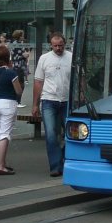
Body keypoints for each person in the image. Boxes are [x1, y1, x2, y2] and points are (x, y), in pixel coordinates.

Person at [32, 32, 72, 177]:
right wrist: (35, 104)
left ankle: (61, 158)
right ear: (51, 45)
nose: (58, 48)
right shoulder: (44, 59)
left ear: (64, 44)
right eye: (55, 46)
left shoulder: (71, 57)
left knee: (72, 134)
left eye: (60, 45)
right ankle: (55, 166)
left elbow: (79, 77)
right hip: (48, 100)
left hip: (67, 101)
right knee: (50, 134)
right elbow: (38, 82)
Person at [0, 46, 23, 175]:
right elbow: (18, 91)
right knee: (5, 135)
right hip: (8, 104)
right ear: (8, 58)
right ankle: (0, 166)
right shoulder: (11, 73)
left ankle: (2, 163)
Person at [10, 30, 30, 107]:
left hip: (20, 66)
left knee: (20, 83)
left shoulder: (19, 43)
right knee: (20, 83)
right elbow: (15, 56)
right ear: (18, 36)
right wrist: (24, 55)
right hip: (18, 66)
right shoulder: (16, 44)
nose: (23, 37)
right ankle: (17, 102)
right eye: (22, 35)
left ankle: (17, 101)